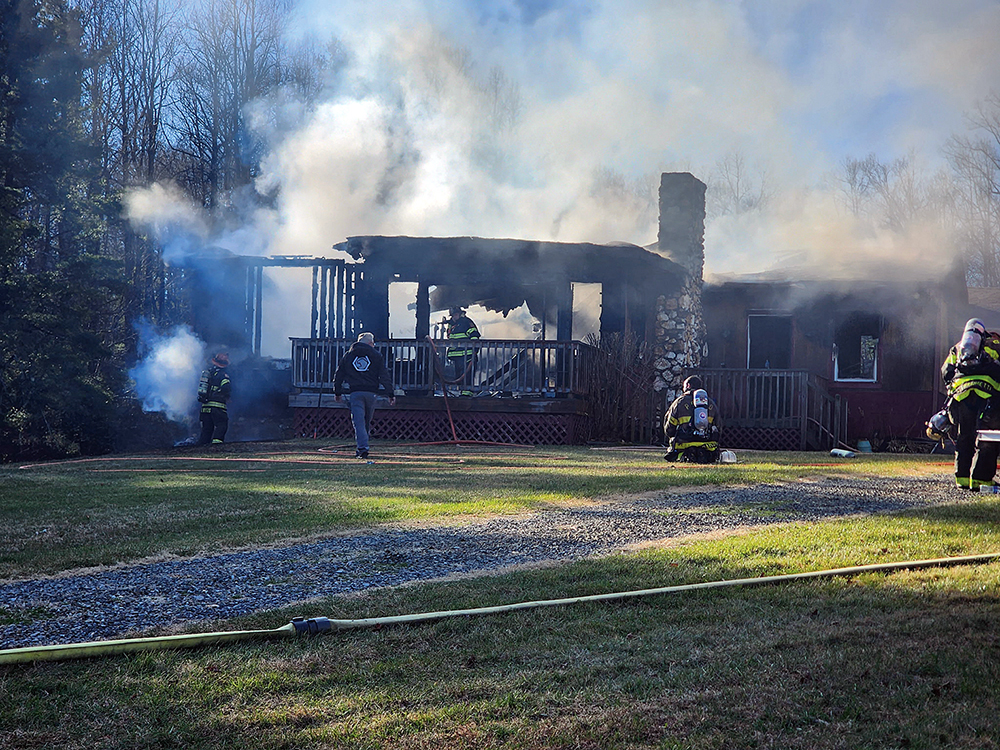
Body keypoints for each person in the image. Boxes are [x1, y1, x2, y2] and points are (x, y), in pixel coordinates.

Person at [939, 318, 1000, 490]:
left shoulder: (957, 348)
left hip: (962, 397)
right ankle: (980, 479)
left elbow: (945, 371)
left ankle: (962, 478)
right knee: (987, 436)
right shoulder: (994, 344)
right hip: (987, 395)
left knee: (964, 435)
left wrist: (953, 388)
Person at [334, 332, 395, 459]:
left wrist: (337, 392)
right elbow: (384, 375)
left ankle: (362, 448)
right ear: (370, 343)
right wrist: (390, 393)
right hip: (371, 393)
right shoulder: (376, 355)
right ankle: (363, 447)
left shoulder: (348, 355)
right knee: (366, 421)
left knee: (358, 421)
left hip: (355, 392)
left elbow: (339, 374)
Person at [663, 375, 721, 463]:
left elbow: (669, 428)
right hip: (708, 448)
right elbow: (719, 426)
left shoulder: (679, 402)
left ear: (688, 386)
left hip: (684, 446)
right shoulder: (711, 403)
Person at [196, 352, 231, 445]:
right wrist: (223, 395)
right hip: (217, 407)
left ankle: (202, 447)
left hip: (205, 407)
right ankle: (217, 446)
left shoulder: (209, 373)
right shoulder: (223, 375)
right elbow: (226, 387)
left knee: (207, 429)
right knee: (222, 425)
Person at [446, 306, 480, 396]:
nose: (454, 317)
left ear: (460, 314)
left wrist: (474, 350)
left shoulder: (466, 322)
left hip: (467, 355)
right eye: (453, 315)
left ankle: (467, 395)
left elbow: (474, 335)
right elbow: (450, 337)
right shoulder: (453, 325)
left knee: (467, 376)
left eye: (456, 315)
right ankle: (462, 393)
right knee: (459, 377)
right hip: (457, 357)